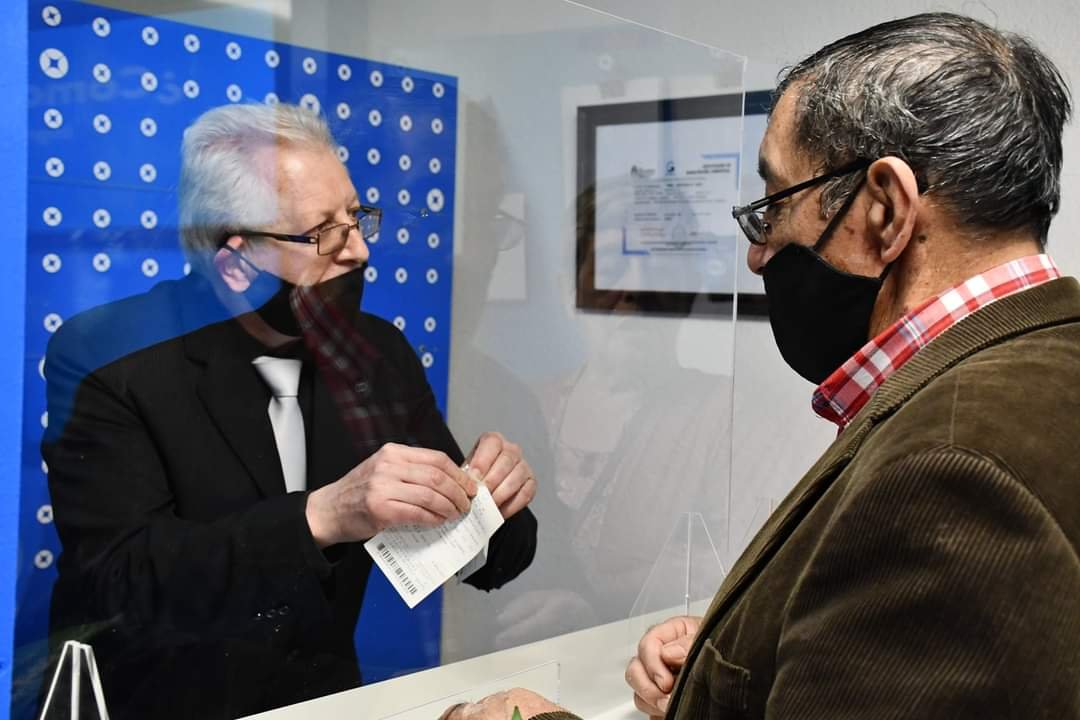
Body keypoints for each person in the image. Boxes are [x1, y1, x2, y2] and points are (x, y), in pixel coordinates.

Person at [446, 12, 1079, 719]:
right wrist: (746, 658)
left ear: (884, 210)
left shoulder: (949, 468)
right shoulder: (1046, 364)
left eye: (774, 208)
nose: (757, 254)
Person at [41, 102, 538, 719]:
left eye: (356, 217)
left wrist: (492, 506)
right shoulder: (112, 354)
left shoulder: (374, 352)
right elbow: (120, 579)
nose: (359, 251)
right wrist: (321, 517)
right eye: (323, 232)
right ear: (235, 262)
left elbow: (484, 559)